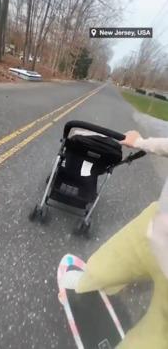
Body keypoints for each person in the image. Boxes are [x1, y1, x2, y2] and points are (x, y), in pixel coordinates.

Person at [62, 131, 168, 349]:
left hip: (155, 228)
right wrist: (140, 142)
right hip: (155, 226)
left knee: (157, 336)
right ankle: (89, 282)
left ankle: (88, 283)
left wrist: (140, 142)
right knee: (107, 265)